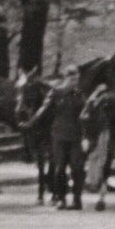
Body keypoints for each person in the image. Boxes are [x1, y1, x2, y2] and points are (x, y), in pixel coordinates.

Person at [25, 69, 86, 210]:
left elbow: (85, 112)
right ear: (65, 79)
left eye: (76, 80)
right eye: (72, 80)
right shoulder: (56, 92)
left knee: (77, 169)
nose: (74, 83)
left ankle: (77, 200)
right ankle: (61, 199)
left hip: (76, 136)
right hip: (59, 135)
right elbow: (43, 109)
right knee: (60, 168)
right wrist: (31, 122)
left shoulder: (79, 94)